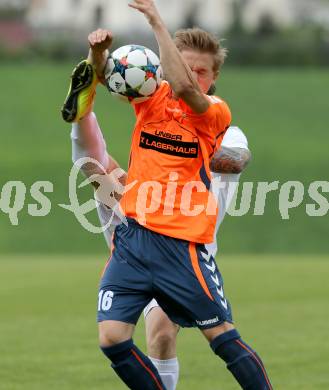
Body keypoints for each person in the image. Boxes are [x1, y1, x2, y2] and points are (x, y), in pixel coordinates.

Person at [62, 1, 273, 389]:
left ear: (214, 77)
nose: (193, 76)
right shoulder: (152, 100)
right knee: (95, 165)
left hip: (188, 242)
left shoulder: (217, 116)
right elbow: (120, 78)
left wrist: (156, 20)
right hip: (135, 230)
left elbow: (237, 156)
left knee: (178, 334)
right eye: (185, 65)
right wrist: (97, 56)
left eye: (201, 71)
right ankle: (81, 118)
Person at [70, 111, 250, 390]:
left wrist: (186, 147)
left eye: (199, 72)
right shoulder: (154, 125)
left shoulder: (225, 130)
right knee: (115, 337)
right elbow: (94, 163)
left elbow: (237, 160)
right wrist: (82, 114)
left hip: (185, 249)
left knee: (163, 333)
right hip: (135, 238)